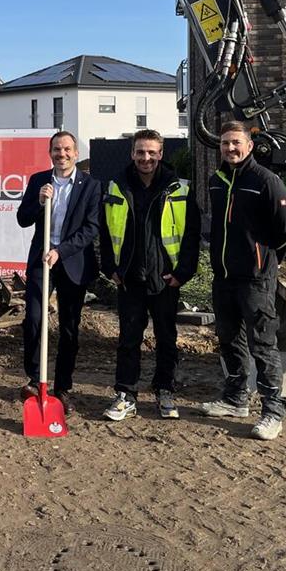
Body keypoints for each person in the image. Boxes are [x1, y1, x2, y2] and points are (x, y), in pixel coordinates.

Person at [200, 120, 286, 441]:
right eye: (226, 143)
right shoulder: (216, 181)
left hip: (255, 279)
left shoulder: (266, 182)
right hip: (224, 277)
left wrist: (266, 263)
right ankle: (235, 399)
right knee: (229, 338)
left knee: (263, 344)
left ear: (249, 146)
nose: (230, 148)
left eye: (236, 143)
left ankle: (272, 412)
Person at [100, 129, 200, 422]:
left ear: (161, 154)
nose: (146, 158)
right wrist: (110, 268)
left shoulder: (178, 188)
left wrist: (183, 274)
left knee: (166, 339)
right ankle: (125, 395)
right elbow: (106, 231)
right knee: (128, 340)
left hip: (165, 279)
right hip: (130, 278)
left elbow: (192, 235)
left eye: (151, 152)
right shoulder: (117, 186)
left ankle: (165, 392)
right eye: (140, 152)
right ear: (132, 153)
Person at [16, 131, 101, 406]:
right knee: (34, 318)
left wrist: (60, 251)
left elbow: (91, 228)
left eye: (66, 149)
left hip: (72, 262)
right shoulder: (39, 181)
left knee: (69, 327)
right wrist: (40, 202)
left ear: (75, 153)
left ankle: (63, 387)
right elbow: (23, 219)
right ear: (50, 152)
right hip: (41, 259)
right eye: (56, 149)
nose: (61, 154)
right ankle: (34, 378)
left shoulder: (90, 185)